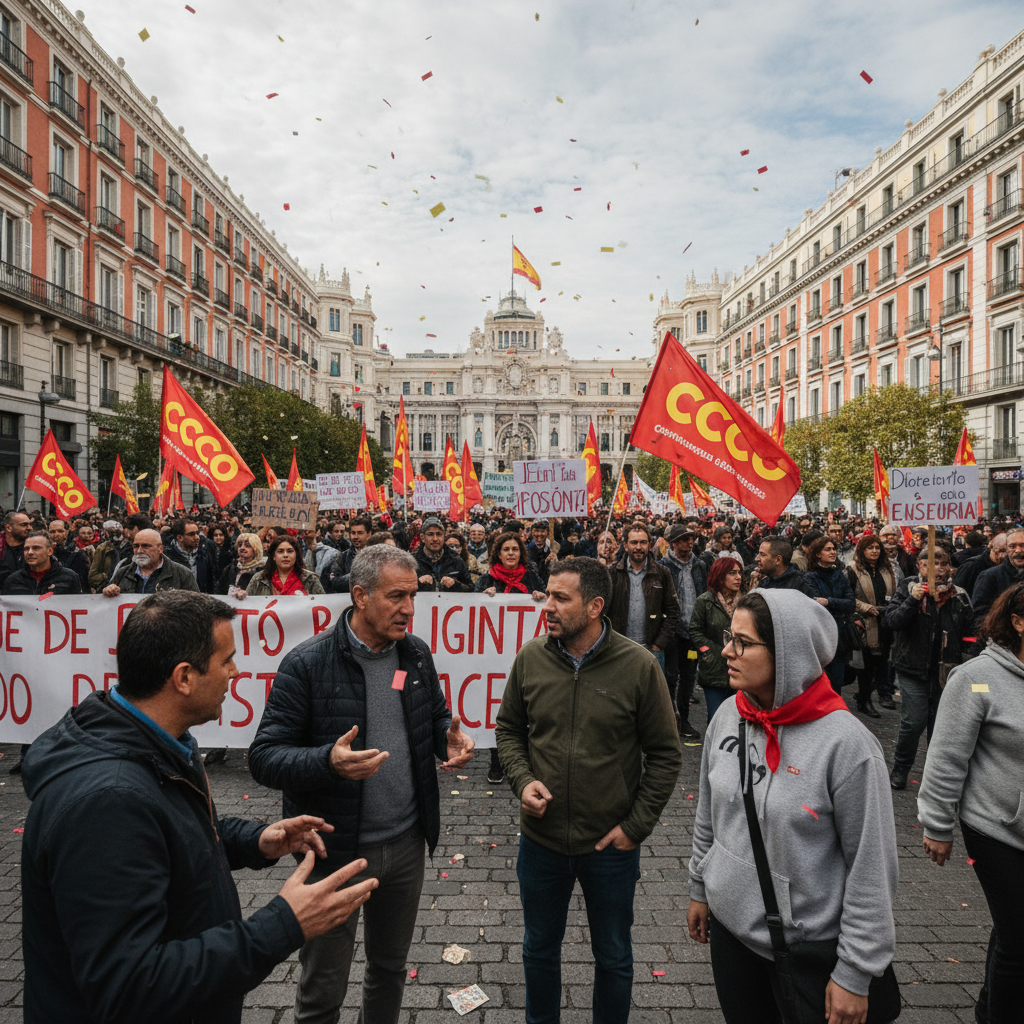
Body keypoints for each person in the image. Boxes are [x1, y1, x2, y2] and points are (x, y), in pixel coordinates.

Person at [21, 591, 378, 1024]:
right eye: (226, 660)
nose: (235, 672)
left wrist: (254, 841)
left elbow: (168, 841)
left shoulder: (157, 743)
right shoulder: (106, 803)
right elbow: (130, 986)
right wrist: (284, 924)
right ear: (185, 677)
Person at [248, 544, 475, 1024]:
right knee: (322, 990)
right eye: (396, 597)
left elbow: (434, 718)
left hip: (406, 845)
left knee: (389, 970)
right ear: (360, 596)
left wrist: (447, 739)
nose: (408, 609)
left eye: (412, 596)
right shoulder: (307, 663)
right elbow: (264, 757)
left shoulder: (415, 654)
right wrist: (327, 762)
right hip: (335, 853)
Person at [687, 589, 898, 1024]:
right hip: (730, 937)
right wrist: (700, 888)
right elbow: (709, 814)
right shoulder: (727, 716)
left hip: (806, 950)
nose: (727, 651)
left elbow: (872, 869)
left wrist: (855, 972)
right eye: (729, 637)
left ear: (789, 653)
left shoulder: (848, 746)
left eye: (743, 642)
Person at [495, 558, 682, 1024]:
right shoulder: (531, 657)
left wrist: (635, 827)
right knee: (539, 949)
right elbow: (509, 729)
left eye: (561, 598)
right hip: (541, 843)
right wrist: (522, 780)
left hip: (610, 847)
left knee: (614, 955)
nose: (547, 606)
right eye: (548, 595)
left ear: (595, 606)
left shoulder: (638, 666)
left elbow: (665, 754)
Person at [917, 583, 1024, 1024]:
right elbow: (946, 756)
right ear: (1018, 622)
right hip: (994, 826)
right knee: (1019, 940)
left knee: (1012, 926)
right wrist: (937, 824)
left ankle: (986, 1007)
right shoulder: (976, 678)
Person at [885, 546, 976, 791]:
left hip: (947, 672)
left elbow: (971, 634)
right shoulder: (908, 587)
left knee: (940, 726)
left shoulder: (959, 595)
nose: (939, 568)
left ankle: (934, 774)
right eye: (932, 563)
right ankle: (901, 768)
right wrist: (912, 600)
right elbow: (893, 621)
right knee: (913, 722)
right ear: (920, 566)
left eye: (943, 563)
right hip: (912, 668)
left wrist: (966, 662)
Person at [659, 525, 709, 739]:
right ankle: (670, 720)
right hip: (671, 631)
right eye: (684, 539)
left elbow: (704, 593)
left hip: (693, 631)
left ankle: (684, 720)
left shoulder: (699, 565)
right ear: (673, 543)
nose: (690, 543)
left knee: (688, 677)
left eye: (691, 539)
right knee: (670, 676)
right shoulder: (663, 566)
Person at [847, 533, 897, 716]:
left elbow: (894, 592)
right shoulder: (853, 569)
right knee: (866, 666)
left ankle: (876, 694)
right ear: (862, 550)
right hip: (864, 624)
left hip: (885, 622)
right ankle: (864, 700)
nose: (874, 551)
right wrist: (866, 607)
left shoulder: (887, 569)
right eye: (870, 548)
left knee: (882, 662)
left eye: (877, 548)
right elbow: (848, 596)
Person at [688, 558, 744, 724]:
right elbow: (695, 629)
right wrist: (708, 651)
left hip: (740, 668)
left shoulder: (746, 602)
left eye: (739, 573)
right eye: (732, 573)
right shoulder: (705, 601)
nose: (738, 577)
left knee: (738, 719)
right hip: (713, 669)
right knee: (716, 718)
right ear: (720, 577)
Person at [800, 536, 856, 693]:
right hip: (820, 635)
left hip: (840, 636)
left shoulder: (839, 575)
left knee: (837, 683)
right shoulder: (809, 577)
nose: (833, 552)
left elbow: (851, 604)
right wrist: (836, 603)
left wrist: (829, 601)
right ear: (818, 554)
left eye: (833, 549)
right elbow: (816, 605)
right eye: (828, 549)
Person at [102, 528, 200, 595]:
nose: (139, 551)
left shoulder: (182, 574)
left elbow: (196, 607)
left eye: (146, 546)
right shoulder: (122, 573)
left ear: (160, 549)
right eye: (136, 546)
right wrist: (108, 591)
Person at [1, 530, 82, 596]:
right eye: (26, 548)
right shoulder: (13, 580)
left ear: (50, 551)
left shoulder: (69, 577)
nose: (30, 552)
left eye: (36, 548)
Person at [972, 528, 1024, 628]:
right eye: (1012, 546)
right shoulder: (989, 576)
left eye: (1022, 545)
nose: (1018, 550)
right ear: (1007, 549)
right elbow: (980, 616)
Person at [246, 535, 325, 596]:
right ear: (274, 556)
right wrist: (241, 597)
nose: (285, 555)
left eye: (290, 551)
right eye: (280, 551)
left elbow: (323, 605)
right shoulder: (259, 579)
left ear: (296, 555)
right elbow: (247, 606)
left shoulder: (311, 580)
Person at [476, 531, 546, 599]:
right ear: (499, 554)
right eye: (506, 549)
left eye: (515, 549)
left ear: (520, 553)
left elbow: (548, 600)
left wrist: (542, 597)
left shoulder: (533, 579)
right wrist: (483, 596)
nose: (511, 553)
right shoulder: (485, 580)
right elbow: (476, 602)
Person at [414, 517, 473, 592]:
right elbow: (402, 588)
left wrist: (455, 584)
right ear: (422, 537)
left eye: (439, 534)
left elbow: (471, 589)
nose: (435, 539)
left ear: (443, 537)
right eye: (430, 534)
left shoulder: (455, 560)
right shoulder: (412, 561)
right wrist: (418, 583)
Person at [164, 518, 216, 593]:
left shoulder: (204, 555)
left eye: (197, 533)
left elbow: (210, 583)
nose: (197, 537)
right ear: (180, 537)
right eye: (191, 534)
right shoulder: (167, 557)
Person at [321, 516, 372, 591]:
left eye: (360, 533)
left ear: (368, 534)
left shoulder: (376, 555)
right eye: (353, 533)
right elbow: (334, 584)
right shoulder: (342, 557)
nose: (355, 537)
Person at [954, 531, 1007, 600]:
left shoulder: (1008, 567)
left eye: (1007, 551)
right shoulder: (971, 566)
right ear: (991, 547)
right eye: (1001, 551)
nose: (1003, 555)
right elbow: (958, 592)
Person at [217, 532, 266, 597]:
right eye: (240, 545)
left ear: (256, 548)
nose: (242, 548)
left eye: (247, 545)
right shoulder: (230, 568)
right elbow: (219, 590)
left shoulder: (262, 571)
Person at [47, 519, 89, 590]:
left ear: (66, 533)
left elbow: (83, 582)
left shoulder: (77, 554)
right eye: (52, 532)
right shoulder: (44, 553)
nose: (56, 534)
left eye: (60, 531)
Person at [0, 509, 31, 588]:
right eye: (24, 525)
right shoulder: (1, 547)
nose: (30, 528)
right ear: (8, 528)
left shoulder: (34, 546)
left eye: (30, 524)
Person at [526, 518, 559, 585]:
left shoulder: (554, 548)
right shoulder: (526, 549)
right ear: (532, 532)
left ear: (547, 532)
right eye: (536, 531)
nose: (539, 534)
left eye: (542, 531)